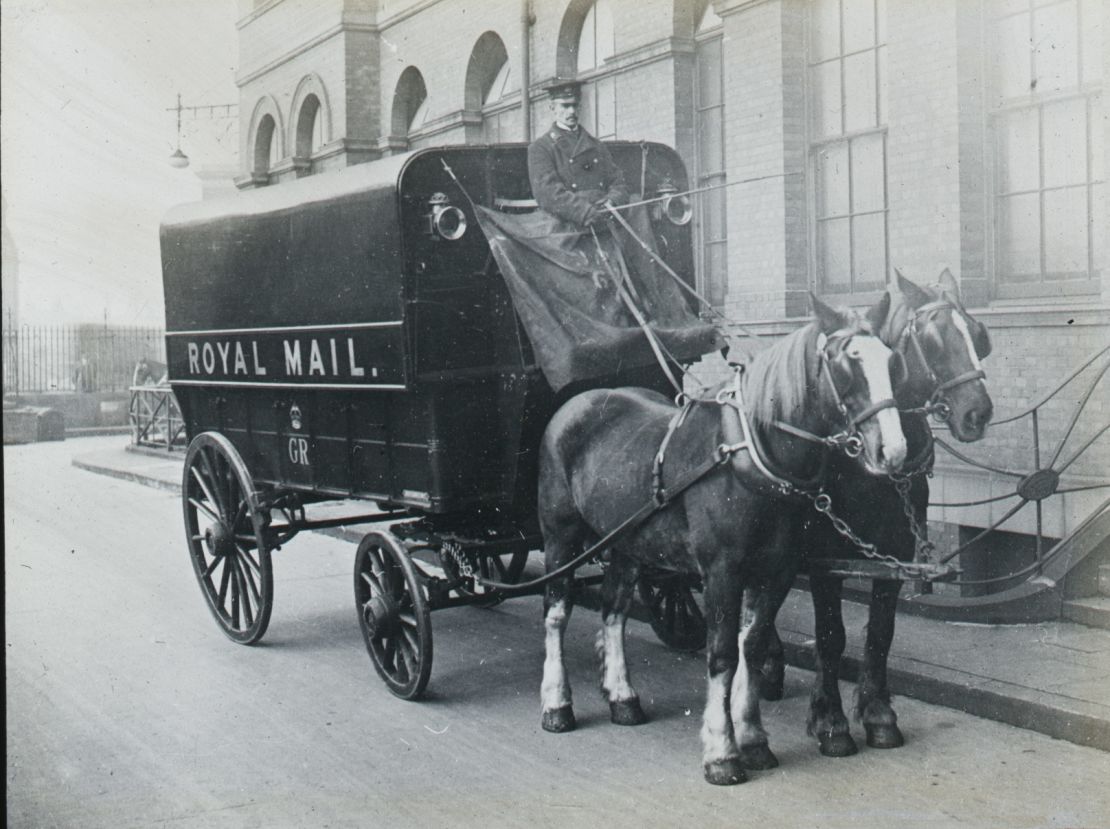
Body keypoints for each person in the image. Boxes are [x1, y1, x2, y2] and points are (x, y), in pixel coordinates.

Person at [527, 79, 630, 228]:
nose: (572, 111)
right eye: (565, 106)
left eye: (575, 105)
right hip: (569, 219)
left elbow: (618, 182)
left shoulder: (597, 146)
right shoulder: (540, 148)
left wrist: (612, 202)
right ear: (552, 108)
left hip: (604, 215)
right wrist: (584, 212)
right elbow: (548, 193)